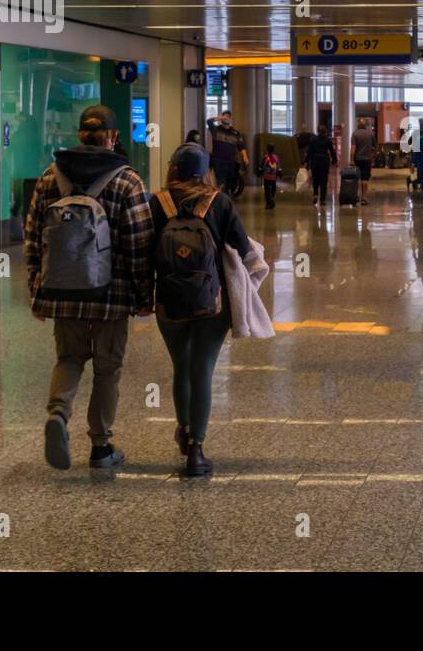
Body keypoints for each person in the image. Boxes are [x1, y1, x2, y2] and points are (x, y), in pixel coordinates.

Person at [25, 104, 153, 471]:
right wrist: (144, 296)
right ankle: (100, 447)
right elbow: (139, 242)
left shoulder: (51, 177)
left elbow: (32, 236)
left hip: (62, 290)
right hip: (110, 294)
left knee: (69, 358)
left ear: (80, 134)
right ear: (113, 137)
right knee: (107, 368)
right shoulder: (127, 180)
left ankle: (58, 414)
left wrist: (37, 291)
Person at [149, 143, 250, 477]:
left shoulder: (158, 202)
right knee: (202, 368)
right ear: (206, 171)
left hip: (168, 299)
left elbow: (144, 251)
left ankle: (183, 429)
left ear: (173, 169)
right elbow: (244, 249)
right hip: (212, 301)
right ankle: (197, 450)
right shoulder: (219, 202)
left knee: (181, 365)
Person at [206, 111, 240, 196]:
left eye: (229, 117)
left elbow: (240, 145)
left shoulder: (235, 133)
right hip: (219, 162)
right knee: (221, 184)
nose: (227, 118)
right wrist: (220, 117)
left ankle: (227, 200)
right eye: (225, 116)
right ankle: (222, 202)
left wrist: (245, 156)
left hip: (231, 162)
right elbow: (209, 121)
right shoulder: (215, 130)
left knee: (229, 184)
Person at [304, 124, 337, 207]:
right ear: (325, 131)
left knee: (315, 179)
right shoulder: (328, 140)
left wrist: (306, 162)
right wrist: (334, 161)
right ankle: (322, 200)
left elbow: (309, 152)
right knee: (323, 181)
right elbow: (332, 151)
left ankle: (315, 195)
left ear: (318, 131)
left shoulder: (313, 139)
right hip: (324, 162)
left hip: (315, 161)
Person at [350, 117, 376, 206]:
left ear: (358, 124)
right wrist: (372, 158)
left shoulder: (355, 134)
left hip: (357, 159)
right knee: (365, 179)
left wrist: (351, 160)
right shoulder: (370, 134)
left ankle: (355, 196)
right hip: (367, 159)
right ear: (365, 125)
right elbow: (374, 148)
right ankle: (364, 197)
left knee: (356, 178)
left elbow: (353, 148)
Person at [259, 144, 281, 210]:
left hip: (266, 177)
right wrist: (279, 174)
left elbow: (261, 166)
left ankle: (268, 203)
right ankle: (272, 198)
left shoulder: (265, 157)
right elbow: (279, 167)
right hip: (273, 177)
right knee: (273, 189)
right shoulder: (276, 157)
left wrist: (259, 173)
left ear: (267, 150)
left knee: (267, 190)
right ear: (274, 150)